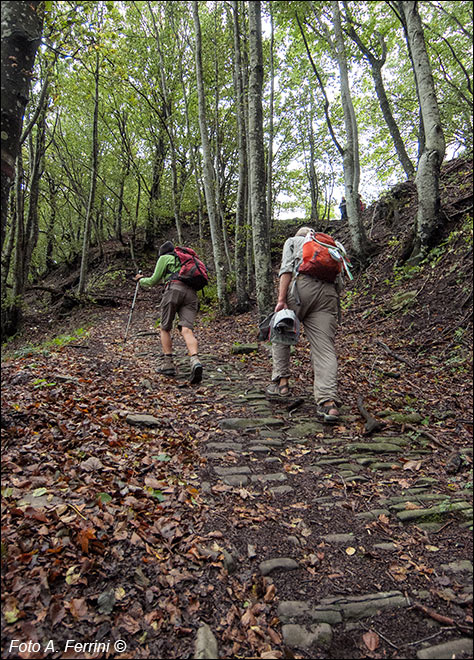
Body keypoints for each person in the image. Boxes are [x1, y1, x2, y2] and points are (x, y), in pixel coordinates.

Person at [266, 227, 341, 422]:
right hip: (328, 294)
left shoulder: (292, 241)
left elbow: (286, 270)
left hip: (301, 288)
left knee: (281, 329)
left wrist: (281, 300)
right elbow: (339, 280)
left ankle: (281, 383)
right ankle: (328, 402)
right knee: (324, 348)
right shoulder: (331, 247)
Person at [135, 241, 203, 384]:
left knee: (165, 327)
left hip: (173, 290)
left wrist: (140, 280)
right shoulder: (186, 259)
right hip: (191, 294)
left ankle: (168, 364)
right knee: (187, 329)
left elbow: (153, 280)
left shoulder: (165, 258)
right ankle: (195, 360)